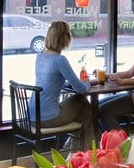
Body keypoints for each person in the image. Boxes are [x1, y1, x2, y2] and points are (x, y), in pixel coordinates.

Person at [33, 20, 94, 149]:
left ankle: (74, 148)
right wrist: (87, 80)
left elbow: (50, 81)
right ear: (64, 38)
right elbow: (81, 89)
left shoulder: (40, 57)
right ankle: (82, 150)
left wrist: (67, 84)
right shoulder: (60, 60)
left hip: (32, 116)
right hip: (48, 118)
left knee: (82, 107)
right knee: (84, 103)